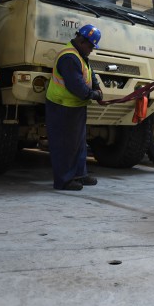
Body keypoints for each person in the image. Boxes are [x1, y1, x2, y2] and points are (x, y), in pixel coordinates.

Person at [45, 24, 104, 191]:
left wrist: (97, 86)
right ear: (82, 40)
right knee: (65, 145)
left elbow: (89, 73)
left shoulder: (80, 54)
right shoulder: (69, 57)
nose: (91, 50)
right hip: (62, 107)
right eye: (91, 46)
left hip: (74, 107)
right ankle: (64, 181)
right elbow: (76, 86)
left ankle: (79, 174)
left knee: (78, 143)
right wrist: (94, 95)